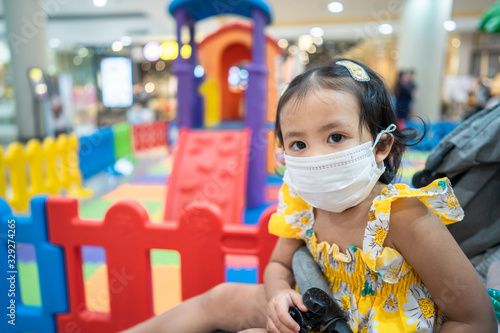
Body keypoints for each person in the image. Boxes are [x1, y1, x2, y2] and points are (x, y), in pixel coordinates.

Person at [122, 60, 497, 333]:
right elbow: (278, 266)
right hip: (320, 315)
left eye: (335, 137)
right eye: (298, 143)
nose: (316, 156)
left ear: (381, 146)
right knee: (221, 297)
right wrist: (277, 297)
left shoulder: (402, 215)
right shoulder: (303, 203)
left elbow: (476, 320)